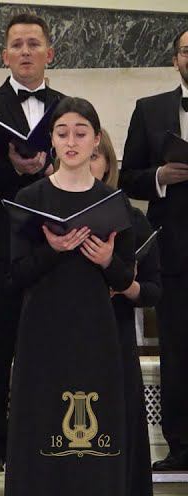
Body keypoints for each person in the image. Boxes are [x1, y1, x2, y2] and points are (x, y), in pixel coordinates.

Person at [4, 97, 135, 495]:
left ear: (96, 140)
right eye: (62, 133)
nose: (71, 142)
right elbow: (15, 275)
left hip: (96, 329)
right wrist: (53, 250)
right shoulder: (31, 198)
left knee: (95, 434)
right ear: (52, 140)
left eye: (81, 133)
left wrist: (108, 260)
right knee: (42, 425)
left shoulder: (114, 200)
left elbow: (125, 276)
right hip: (43, 329)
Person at [0, 12, 65, 472]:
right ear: (4, 55)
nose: (25, 51)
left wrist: (50, 167)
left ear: (49, 53)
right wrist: (14, 168)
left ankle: (47, 431)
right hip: (0, 241)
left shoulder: (68, 106)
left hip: (54, 240)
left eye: (33, 44)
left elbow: (84, 163)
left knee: (49, 342)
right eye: (17, 45)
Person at [119, 28, 188, 471]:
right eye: (187, 50)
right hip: (175, 249)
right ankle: (180, 445)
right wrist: (161, 177)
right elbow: (128, 177)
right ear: (175, 59)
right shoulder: (150, 109)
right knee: (177, 351)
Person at [92, 128, 160, 496]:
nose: (87, 163)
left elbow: (152, 290)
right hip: (65, 338)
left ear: (107, 164)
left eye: (95, 156)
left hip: (114, 336)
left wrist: (125, 286)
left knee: (118, 426)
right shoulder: (48, 216)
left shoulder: (132, 218)